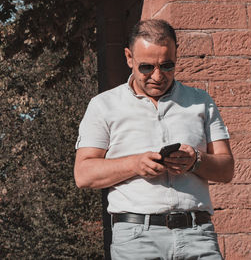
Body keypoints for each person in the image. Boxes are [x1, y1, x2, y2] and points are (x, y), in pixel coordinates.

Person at [74, 19, 234, 259]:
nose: (158, 76)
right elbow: (83, 173)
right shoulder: (103, 105)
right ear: (129, 58)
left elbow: (227, 169)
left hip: (198, 235)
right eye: (146, 67)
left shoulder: (201, 101)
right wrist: (134, 164)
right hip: (136, 238)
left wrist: (196, 161)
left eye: (167, 66)